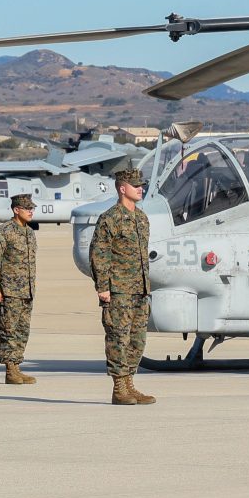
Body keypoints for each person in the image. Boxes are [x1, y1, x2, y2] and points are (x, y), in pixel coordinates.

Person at [89, 165, 155, 405]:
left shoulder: (141, 218)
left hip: (139, 289)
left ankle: (130, 385)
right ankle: (119, 387)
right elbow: (99, 253)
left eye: (141, 185)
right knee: (118, 338)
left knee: (137, 340)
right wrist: (103, 286)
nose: (140, 189)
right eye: (136, 186)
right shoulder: (110, 218)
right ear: (122, 188)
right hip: (118, 289)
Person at [0, 192, 39, 384]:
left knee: (22, 330)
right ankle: (10, 369)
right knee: (8, 330)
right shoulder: (3, 232)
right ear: (16, 210)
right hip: (9, 291)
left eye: (32, 208)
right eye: (27, 208)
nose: (31, 211)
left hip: (26, 291)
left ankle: (17, 365)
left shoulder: (29, 233)